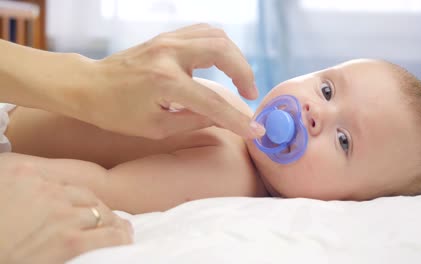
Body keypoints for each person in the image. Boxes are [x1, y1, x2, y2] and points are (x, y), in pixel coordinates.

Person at [2, 59, 421, 214]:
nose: (316, 113)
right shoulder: (233, 115)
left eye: (344, 140)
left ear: (348, 203)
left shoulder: (228, 176)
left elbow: (104, 186)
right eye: (327, 89)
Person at [0, 23, 263, 263]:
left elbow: (104, 184)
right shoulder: (230, 106)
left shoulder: (232, 175)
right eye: (307, 83)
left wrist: (12, 171)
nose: (306, 116)